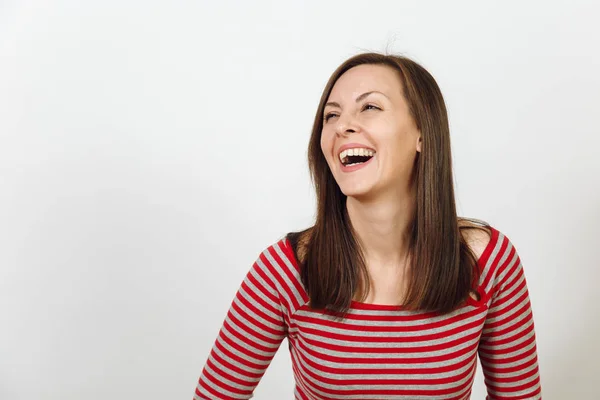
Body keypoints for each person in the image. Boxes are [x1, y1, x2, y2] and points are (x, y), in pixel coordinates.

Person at [194, 52, 542, 399]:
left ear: (422, 133)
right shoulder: (284, 269)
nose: (342, 125)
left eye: (370, 107)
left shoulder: (489, 261)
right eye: (332, 115)